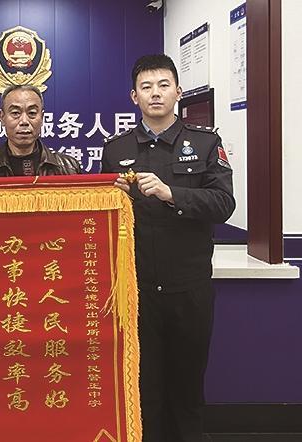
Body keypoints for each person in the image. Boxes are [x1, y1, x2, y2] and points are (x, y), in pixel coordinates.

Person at [101, 55, 235, 442]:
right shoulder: (116, 149)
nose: (155, 93)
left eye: (163, 85)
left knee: (188, 390)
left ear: (178, 91)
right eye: (146, 87)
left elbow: (223, 204)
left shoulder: (206, 143)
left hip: (189, 289)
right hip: (137, 291)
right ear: (134, 96)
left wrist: (170, 192)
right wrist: (114, 197)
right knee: (145, 390)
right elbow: (105, 219)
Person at [0, 84, 82, 177]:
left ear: (42, 117)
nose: (24, 121)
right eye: (15, 113)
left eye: (32, 113)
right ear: (2, 117)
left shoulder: (69, 169)